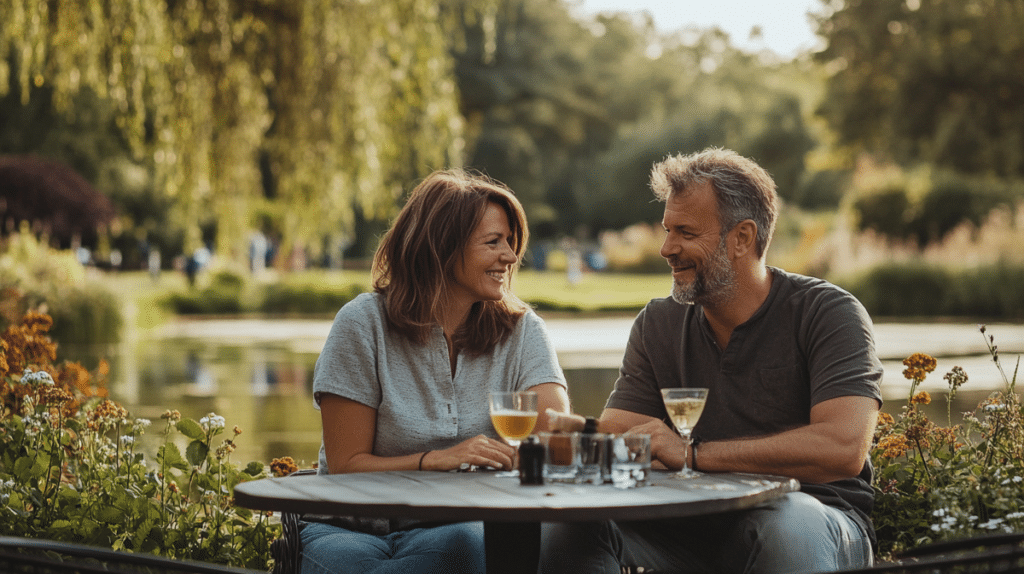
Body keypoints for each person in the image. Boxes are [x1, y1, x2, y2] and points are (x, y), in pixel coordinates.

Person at [540, 147, 883, 574]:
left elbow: (843, 449)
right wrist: (581, 433)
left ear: (742, 238)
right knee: (572, 527)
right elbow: (626, 432)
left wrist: (692, 453)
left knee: (787, 525)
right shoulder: (658, 323)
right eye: (667, 230)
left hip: (815, 518)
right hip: (689, 527)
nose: (667, 248)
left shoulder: (828, 313)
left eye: (685, 232)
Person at [301, 169, 571, 574]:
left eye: (511, 243)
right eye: (493, 242)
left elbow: (554, 435)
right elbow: (346, 466)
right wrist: (435, 460)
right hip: (349, 527)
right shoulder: (361, 324)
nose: (511, 258)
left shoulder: (522, 331)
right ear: (442, 249)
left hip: (455, 527)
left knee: (461, 544)